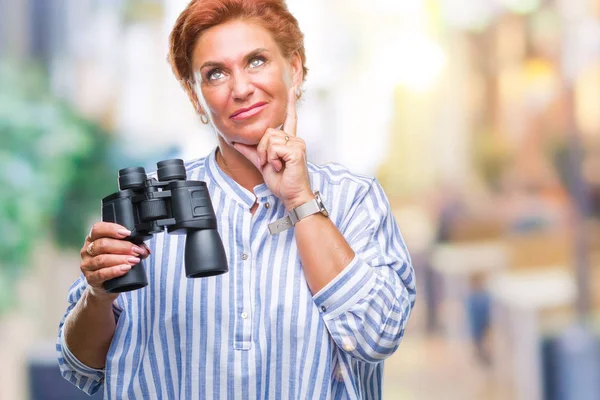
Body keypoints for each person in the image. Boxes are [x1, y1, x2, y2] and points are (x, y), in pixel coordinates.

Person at [56, 0, 416, 398]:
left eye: (257, 61)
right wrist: (97, 295)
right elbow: (81, 368)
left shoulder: (355, 199)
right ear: (196, 97)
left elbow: (377, 338)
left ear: (294, 69)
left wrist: (300, 199)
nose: (241, 88)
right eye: (215, 74)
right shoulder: (149, 201)